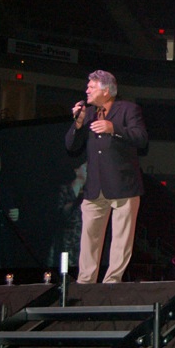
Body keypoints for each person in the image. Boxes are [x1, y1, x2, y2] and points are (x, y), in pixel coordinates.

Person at [66, 70, 148, 283]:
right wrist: (78, 122)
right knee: (89, 238)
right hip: (94, 187)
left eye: (91, 87)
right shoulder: (88, 113)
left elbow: (141, 138)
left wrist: (114, 128)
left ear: (105, 90)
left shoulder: (128, 109)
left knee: (121, 239)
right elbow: (71, 146)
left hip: (123, 185)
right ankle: (85, 282)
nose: (87, 90)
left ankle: (112, 282)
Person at [47, 162, 87, 268]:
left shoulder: (93, 192)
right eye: (86, 166)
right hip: (66, 241)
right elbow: (60, 214)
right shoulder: (64, 189)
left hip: (83, 241)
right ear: (76, 170)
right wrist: (77, 200)